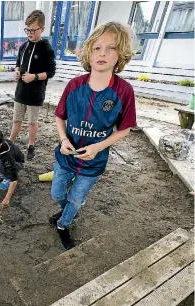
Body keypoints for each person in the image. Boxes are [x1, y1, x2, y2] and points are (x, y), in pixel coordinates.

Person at [49, 21, 137, 250]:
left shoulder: (124, 91)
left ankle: (64, 224)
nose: (103, 53)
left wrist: (98, 147)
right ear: (89, 51)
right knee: (57, 192)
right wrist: (64, 140)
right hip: (66, 157)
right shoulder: (74, 85)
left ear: (122, 53)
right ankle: (67, 209)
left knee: (76, 199)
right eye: (97, 47)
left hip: (93, 163)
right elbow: (60, 117)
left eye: (111, 48)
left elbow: (125, 129)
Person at [10, 10, 56, 161]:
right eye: (27, 30)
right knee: (16, 119)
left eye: (33, 30)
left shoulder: (47, 49)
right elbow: (18, 64)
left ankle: (31, 146)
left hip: (35, 94)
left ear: (42, 29)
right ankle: (10, 143)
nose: (29, 33)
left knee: (32, 122)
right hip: (20, 91)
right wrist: (16, 72)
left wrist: (34, 77)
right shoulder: (23, 47)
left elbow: (51, 72)